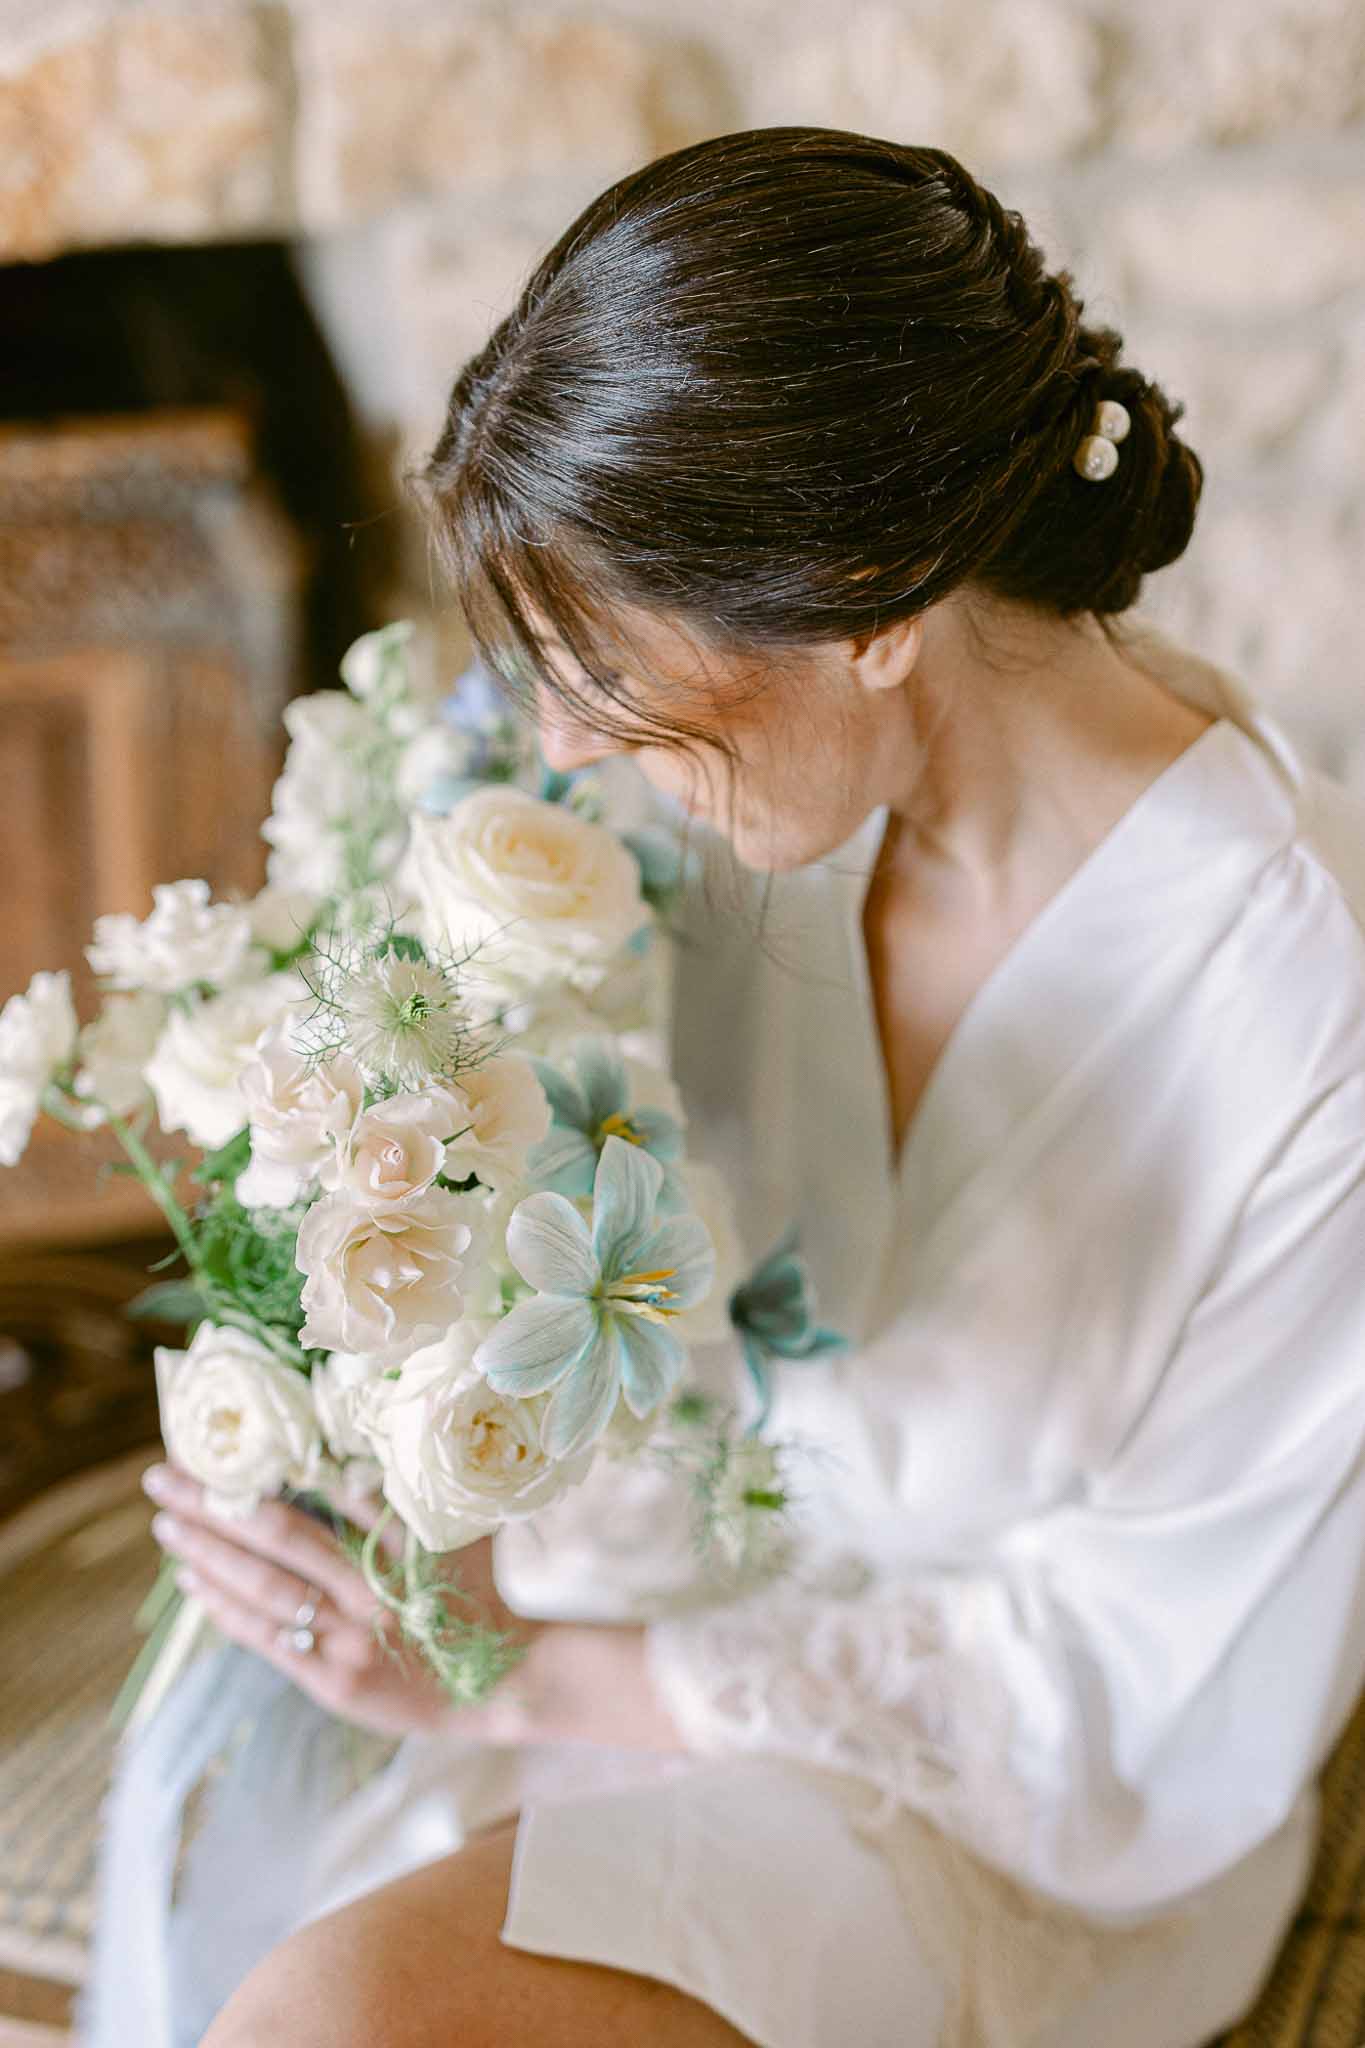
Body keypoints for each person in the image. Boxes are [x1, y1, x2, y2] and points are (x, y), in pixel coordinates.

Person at [84, 127, 1365, 2048]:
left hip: (992, 1811)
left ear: (868, 594)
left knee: (341, 2016)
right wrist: (389, 1430)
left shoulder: (1302, 1006)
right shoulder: (722, 821)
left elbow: (1124, 1704)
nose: (553, 742)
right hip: (612, 1630)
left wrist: (520, 1678)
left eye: (598, 663)